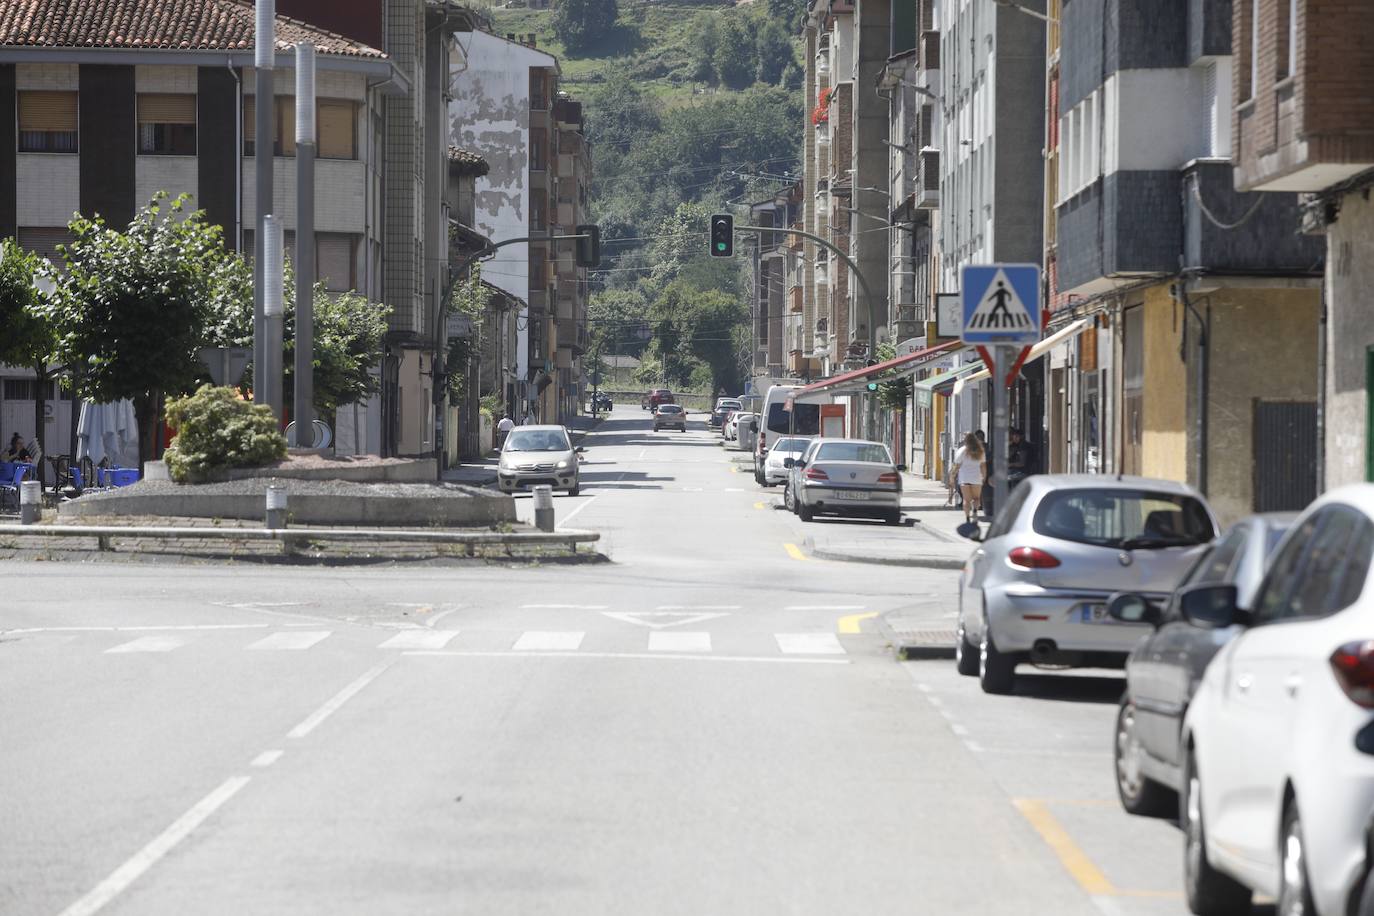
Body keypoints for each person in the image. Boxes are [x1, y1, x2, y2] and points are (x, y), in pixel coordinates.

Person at [949, 432, 986, 524]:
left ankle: (967, 518)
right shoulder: (980, 451)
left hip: (964, 479)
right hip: (976, 478)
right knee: (977, 498)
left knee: (966, 500)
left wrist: (952, 477)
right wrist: (984, 477)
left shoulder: (962, 451)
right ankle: (975, 512)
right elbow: (983, 466)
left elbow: (956, 466)